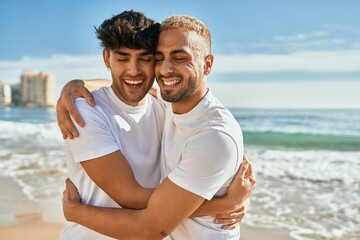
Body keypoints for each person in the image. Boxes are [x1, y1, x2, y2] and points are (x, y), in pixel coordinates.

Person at [58, 11, 255, 240]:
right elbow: (130, 196)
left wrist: (230, 198)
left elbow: (217, 151)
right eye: (122, 59)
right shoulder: (85, 111)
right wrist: (222, 204)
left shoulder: (169, 108)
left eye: (146, 59)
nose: (134, 70)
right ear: (106, 59)